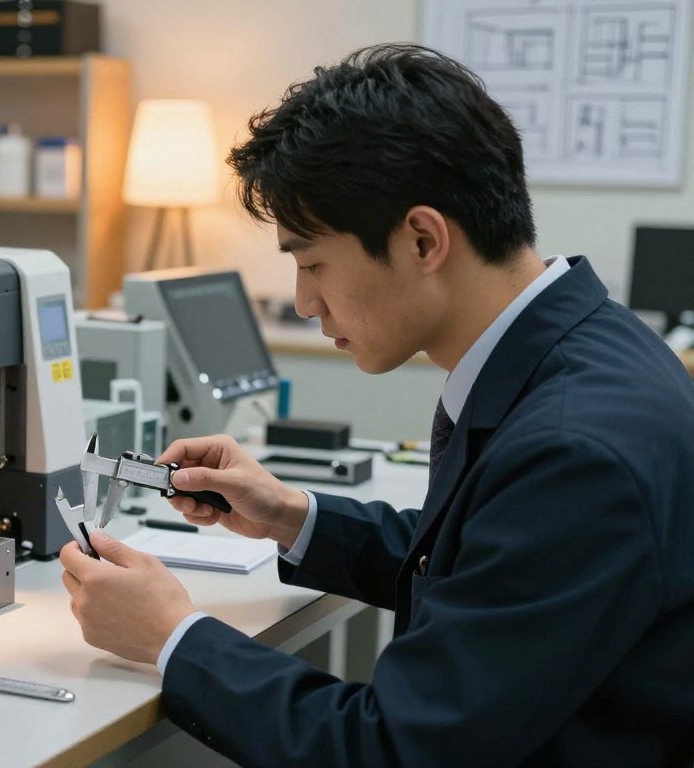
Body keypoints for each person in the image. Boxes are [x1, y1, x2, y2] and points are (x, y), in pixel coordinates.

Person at [59, 44, 694, 766]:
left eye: (312, 263)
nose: (303, 302)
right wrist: (291, 516)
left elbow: (393, 750)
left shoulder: (576, 447)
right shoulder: (584, 347)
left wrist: (172, 637)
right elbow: (489, 566)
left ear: (422, 239)